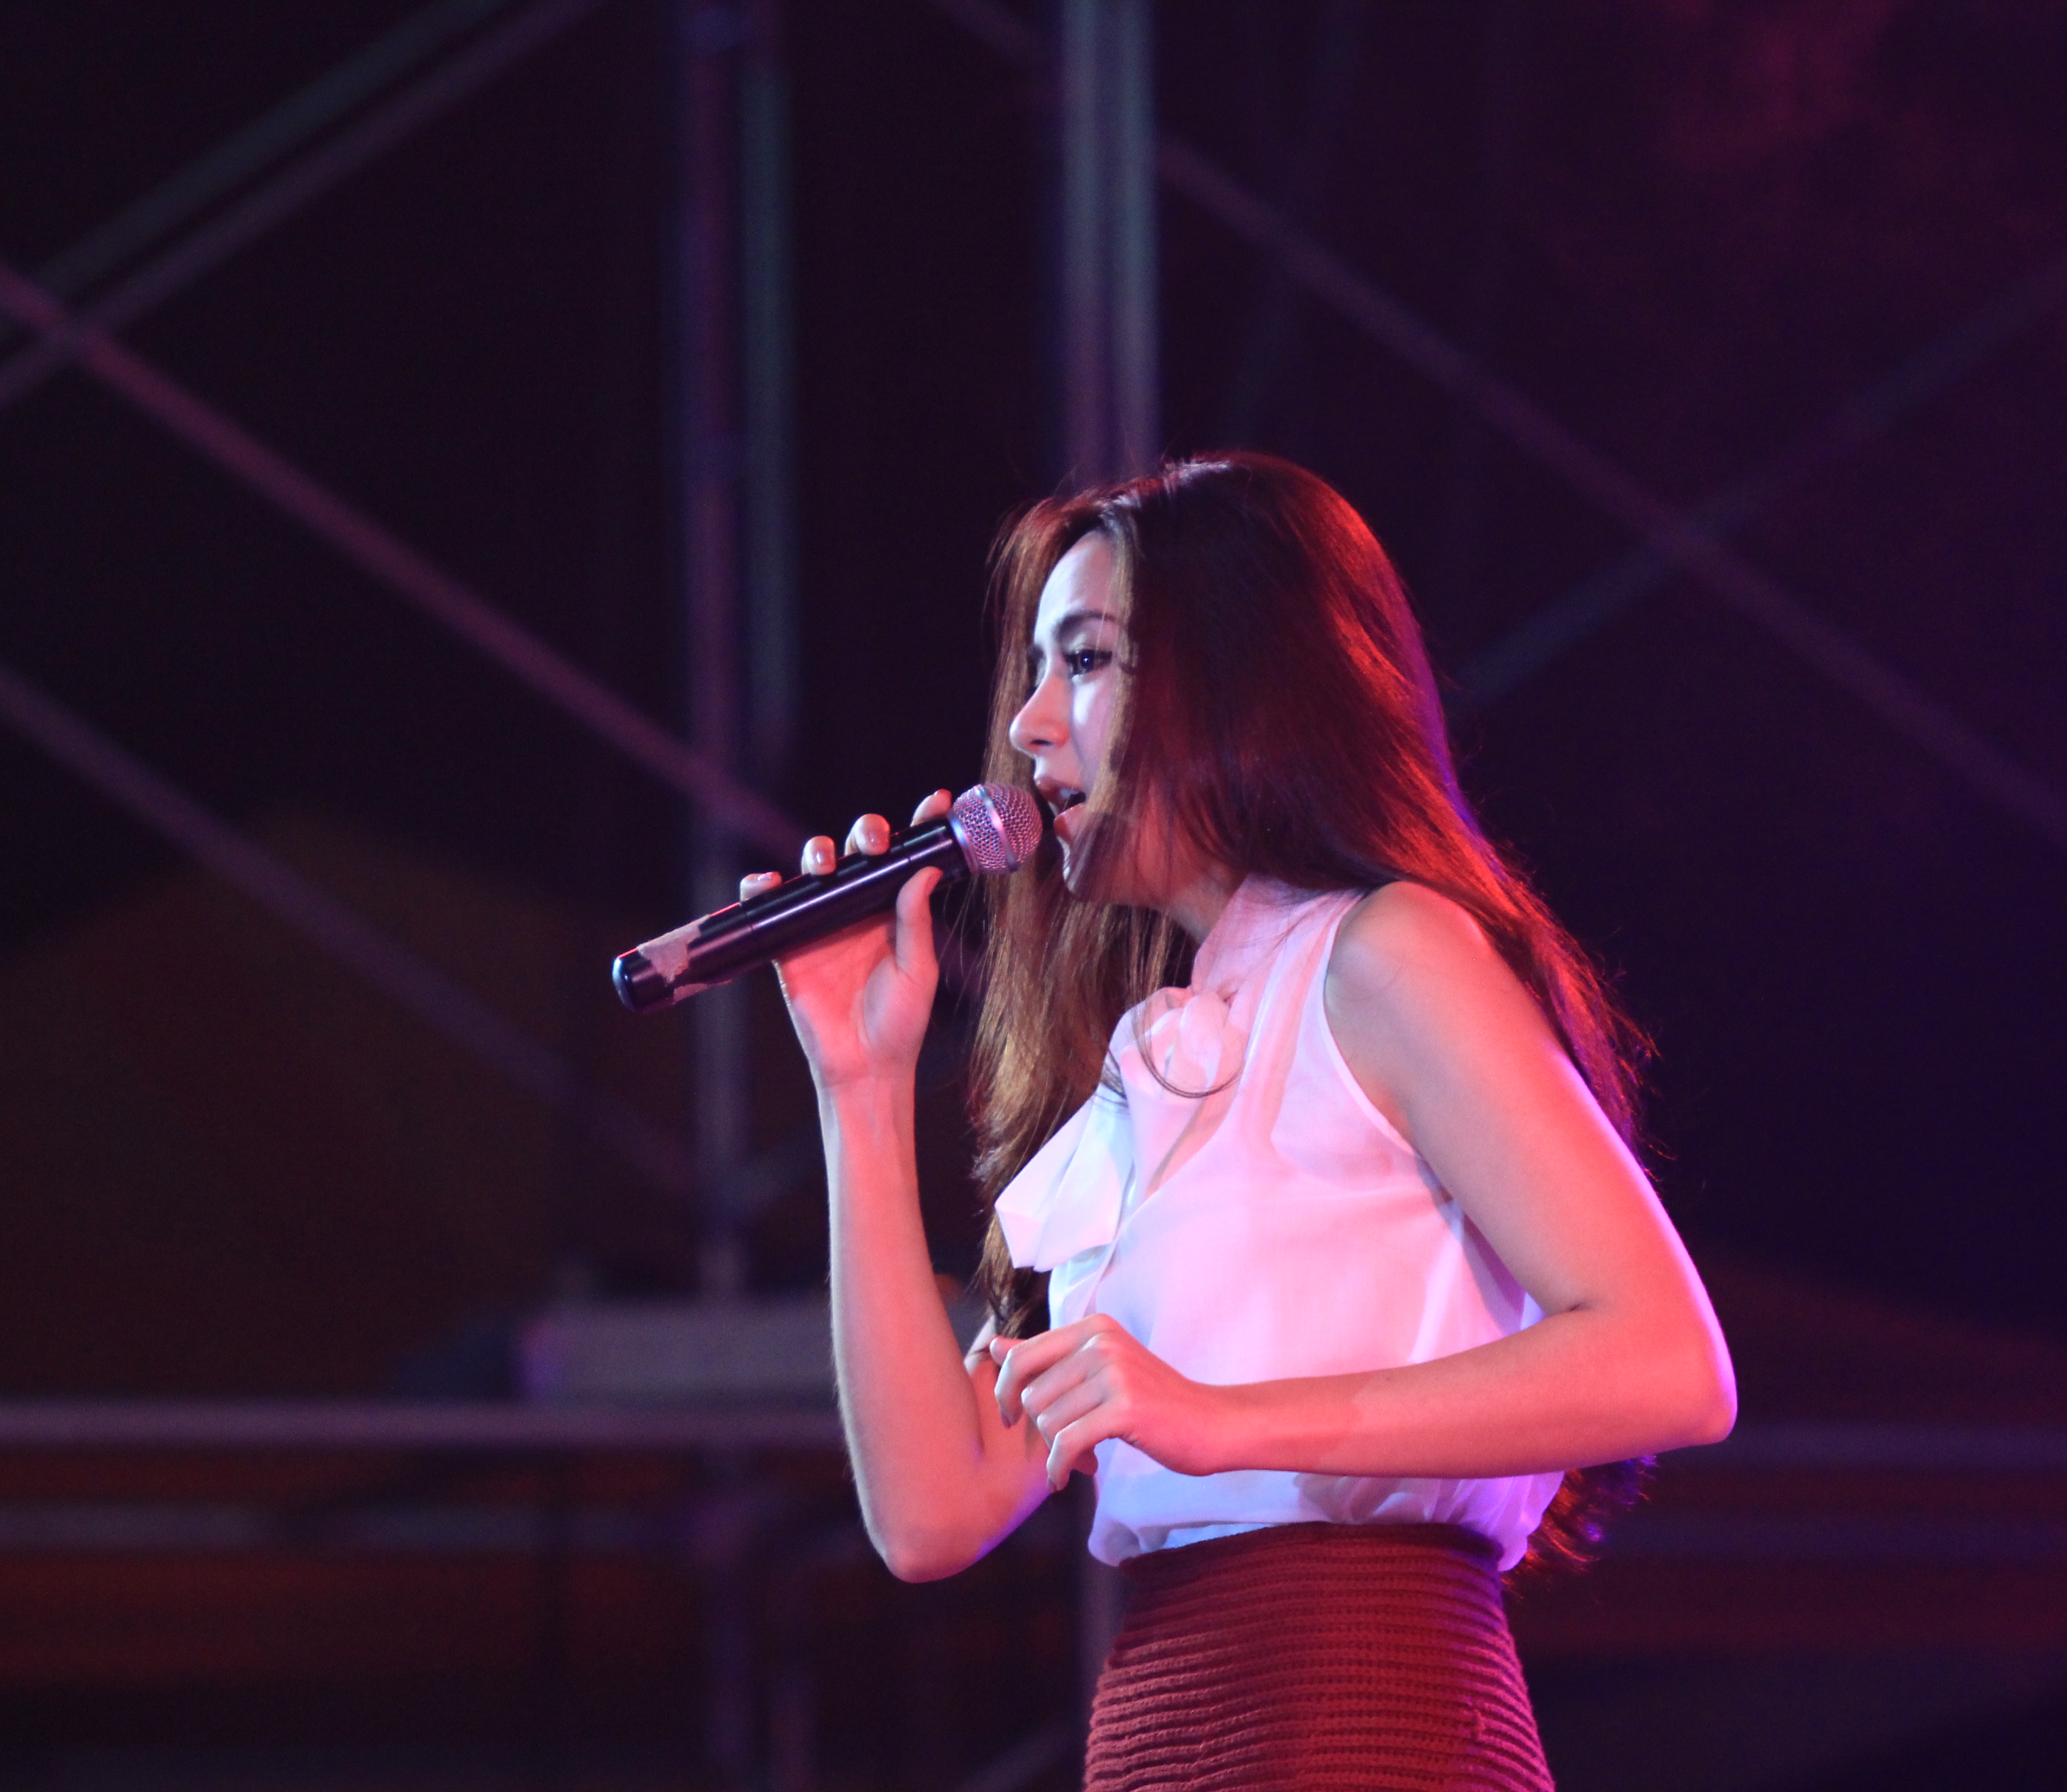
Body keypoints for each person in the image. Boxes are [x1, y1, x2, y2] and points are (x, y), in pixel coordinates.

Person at [740, 453, 1736, 1789]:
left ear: (1240, 678)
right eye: (1036, 671)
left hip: (1362, 1716)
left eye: (1086, 661)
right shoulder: (1151, 1068)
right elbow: (933, 1511)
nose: (1029, 726)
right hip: (1167, 1729)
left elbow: (1669, 1362)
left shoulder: (1385, 955)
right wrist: (859, 1087)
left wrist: (1221, 1419)